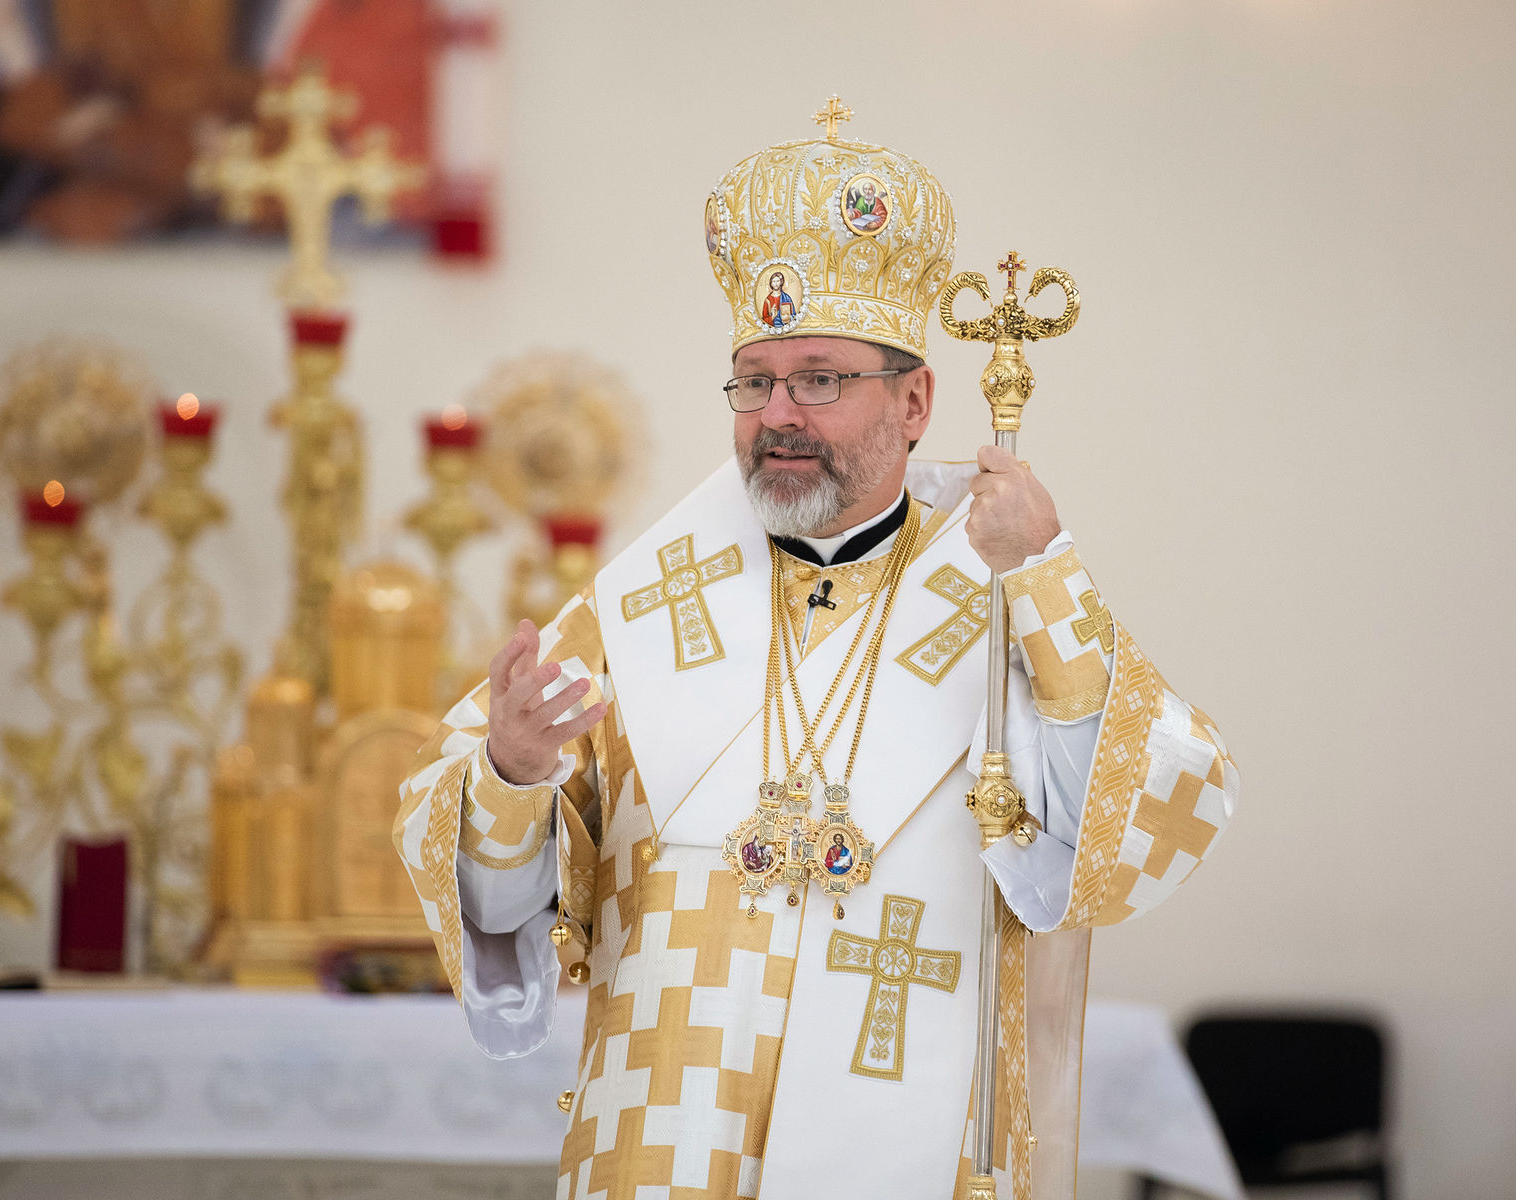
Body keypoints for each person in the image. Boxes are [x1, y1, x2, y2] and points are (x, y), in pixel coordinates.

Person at [394, 114, 1238, 1199]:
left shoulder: (1001, 593)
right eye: (756, 381)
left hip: (906, 1140)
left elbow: (1148, 816)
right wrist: (509, 776)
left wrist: (1046, 577)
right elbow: (505, 913)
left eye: (821, 378)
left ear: (917, 401)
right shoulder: (645, 608)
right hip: (664, 1145)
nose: (778, 415)